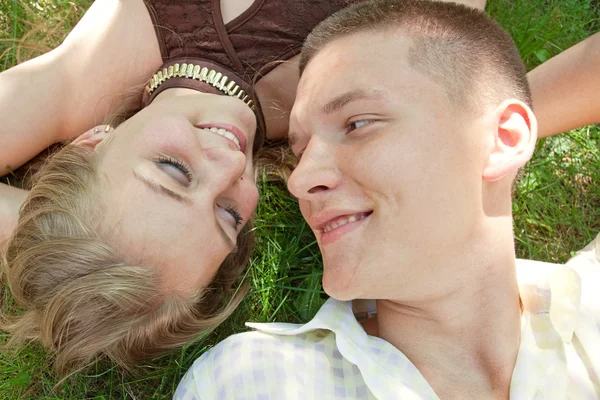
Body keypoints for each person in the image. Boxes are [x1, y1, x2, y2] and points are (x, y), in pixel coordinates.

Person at [174, 1, 600, 398]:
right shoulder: (251, 382)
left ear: (504, 139)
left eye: (357, 124)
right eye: (300, 153)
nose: (299, 180)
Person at [2, 0, 439, 376]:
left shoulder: (81, 76)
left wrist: (56, 232)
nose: (231, 164)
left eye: (173, 170)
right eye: (228, 215)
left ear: (91, 143)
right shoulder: (343, 109)